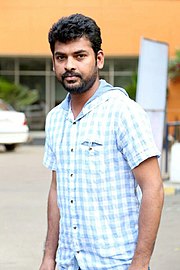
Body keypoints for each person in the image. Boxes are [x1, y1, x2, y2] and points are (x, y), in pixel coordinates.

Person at [39, 13, 164, 270]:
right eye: (61, 57)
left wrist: (140, 264)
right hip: (68, 263)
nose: (69, 65)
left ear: (99, 59)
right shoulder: (54, 120)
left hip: (116, 263)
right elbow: (56, 191)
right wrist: (49, 257)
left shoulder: (123, 112)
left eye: (79, 56)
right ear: (53, 63)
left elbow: (153, 189)